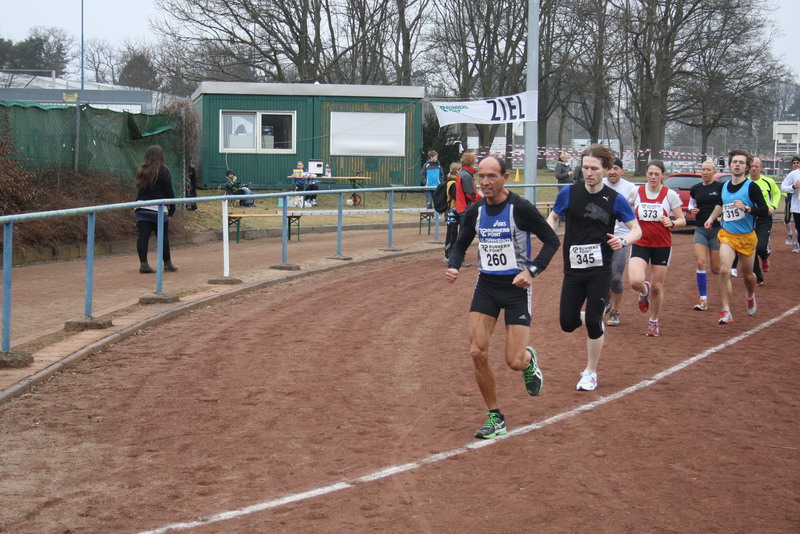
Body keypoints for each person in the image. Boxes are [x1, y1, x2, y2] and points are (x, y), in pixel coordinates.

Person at [445, 155, 560, 439]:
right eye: (481, 176)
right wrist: (454, 265)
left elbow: (552, 240)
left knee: (514, 361)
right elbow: (460, 243)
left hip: (516, 289)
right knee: (476, 351)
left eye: (491, 176)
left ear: (504, 178)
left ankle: (528, 360)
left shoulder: (521, 208)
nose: (485, 182)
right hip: (486, 286)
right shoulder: (475, 211)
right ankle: (495, 416)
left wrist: (532, 271)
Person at [547, 145, 640, 391]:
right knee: (567, 323)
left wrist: (623, 241)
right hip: (573, 269)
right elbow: (554, 217)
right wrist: (549, 233)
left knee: (592, 322)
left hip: (600, 269)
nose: (588, 173)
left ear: (606, 170)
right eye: (585, 168)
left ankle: (590, 372)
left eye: (594, 168)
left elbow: (636, 230)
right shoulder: (569, 193)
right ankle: (595, 314)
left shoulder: (615, 199)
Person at [703, 148, 769, 324]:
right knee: (724, 270)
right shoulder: (724, 186)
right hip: (727, 234)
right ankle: (725, 310)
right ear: (730, 165)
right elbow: (720, 205)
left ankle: (750, 295)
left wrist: (747, 208)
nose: (737, 165)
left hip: (746, 237)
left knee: (748, 275)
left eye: (741, 163)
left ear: (747, 167)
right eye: (734, 162)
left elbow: (765, 211)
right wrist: (711, 218)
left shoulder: (752, 187)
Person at [627, 160, 686, 336]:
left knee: (657, 287)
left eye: (656, 174)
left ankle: (653, 321)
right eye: (650, 173)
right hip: (640, 242)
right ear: (646, 174)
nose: (653, 177)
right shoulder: (636, 192)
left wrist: (672, 222)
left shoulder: (670, 195)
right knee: (635, 281)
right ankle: (643, 291)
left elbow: (682, 220)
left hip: (662, 245)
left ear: (663, 176)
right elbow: (627, 213)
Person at [602, 157, 637, 327]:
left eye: (616, 168)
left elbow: (637, 211)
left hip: (621, 236)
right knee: (598, 275)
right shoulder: (599, 184)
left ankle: (615, 312)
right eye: (609, 168)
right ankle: (604, 299)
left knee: (615, 277)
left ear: (622, 171)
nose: (612, 172)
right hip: (599, 237)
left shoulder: (630, 188)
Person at [135, 145, 178, 274]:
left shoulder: (142, 170)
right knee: (163, 237)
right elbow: (169, 191)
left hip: (141, 207)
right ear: (161, 155)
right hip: (157, 208)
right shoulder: (163, 170)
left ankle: (143, 264)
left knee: (143, 236)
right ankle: (168, 264)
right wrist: (172, 208)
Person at [687, 160, 724, 311]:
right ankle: (703, 299)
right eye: (703, 169)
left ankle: (725, 292)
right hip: (701, 229)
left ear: (714, 172)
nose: (705, 172)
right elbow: (691, 204)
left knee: (716, 268)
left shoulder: (720, 187)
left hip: (716, 230)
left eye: (708, 169)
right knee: (700, 262)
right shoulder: (695, 188)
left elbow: (726, 203)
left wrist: (721, 216)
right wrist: (691, 210)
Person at [748, 157, 781, 285]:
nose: (754, 169)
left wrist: (772, 206)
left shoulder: (768, 181)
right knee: (751, 248)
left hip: (764, 217)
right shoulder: (745, 182)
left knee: (760, 247)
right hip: (749, 217)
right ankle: (758, 277)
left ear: (761, 168)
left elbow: (777, 193)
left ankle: (765, 256)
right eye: (752, 166)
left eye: (756, 166)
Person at [780, 162, 800, 254]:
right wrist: (793, 186)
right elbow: (783, 188)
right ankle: (796, 242)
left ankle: (796, 243)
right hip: (797, 208)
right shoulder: (794, 174)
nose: (796, 164)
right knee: (791, 222)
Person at [443, 162, 461, 261]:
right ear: (456, 171)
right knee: (451, 233)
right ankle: (447, 254)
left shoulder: (452, 181)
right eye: (460, 170)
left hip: (452, 209)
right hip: (451, 210)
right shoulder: (452, 183)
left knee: (454, 233)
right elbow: (455, 196)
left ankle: (451, 253)